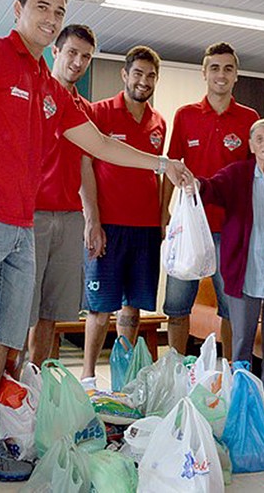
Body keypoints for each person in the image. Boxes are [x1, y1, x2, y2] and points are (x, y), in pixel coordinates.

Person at [0, 0, 191, 492]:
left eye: (58, 11)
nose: (50, 18)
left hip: (23, 229)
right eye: (42, 7)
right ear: (18, 9)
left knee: (0, 338)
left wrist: (162, 163)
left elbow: (100, 145)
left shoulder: (48, 86)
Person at [162, 42, 259, 355]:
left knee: (231, 309)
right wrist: (163, 212)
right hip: (188, 227)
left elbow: (255, 175)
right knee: (177, 307)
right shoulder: (186, 115)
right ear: (204, 73)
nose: (221, 74)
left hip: (230, 229)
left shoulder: (249, 118)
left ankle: (233, 374)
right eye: (215, 68)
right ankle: (176, 368)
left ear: (236, 76)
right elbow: (171, 166)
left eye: (228, 68)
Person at [79, 46, 166, 389]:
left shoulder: (159, 121)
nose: (143, 81)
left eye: (150, 76)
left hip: (145, 229)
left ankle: (125, 379)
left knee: (132, 309)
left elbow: (158, 174)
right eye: (138, 73)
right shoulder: (98, 112)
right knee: (100, 308)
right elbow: (85, 164)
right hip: (109, 226)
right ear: (125, 75)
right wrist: (92, 220)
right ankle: (87, 376)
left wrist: (161, 220)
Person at [193, 119, 264, 391]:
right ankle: (241, 392)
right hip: (245, 270)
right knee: (242, 340)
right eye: (260, 139)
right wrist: (192, 184)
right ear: (250, 145)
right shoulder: (237, 174)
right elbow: (211, 188)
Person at [27, 24, 96, 368]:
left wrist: (92, 221)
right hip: (32, 215)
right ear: (56, 51)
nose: (78, 61)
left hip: (69, 218)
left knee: (51, 312)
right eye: (72, 52)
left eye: (86, 56)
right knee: (22, 308)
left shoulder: (85, 109)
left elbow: (87, 167)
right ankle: (8, 388)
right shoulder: (35, 93)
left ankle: (35, 381)